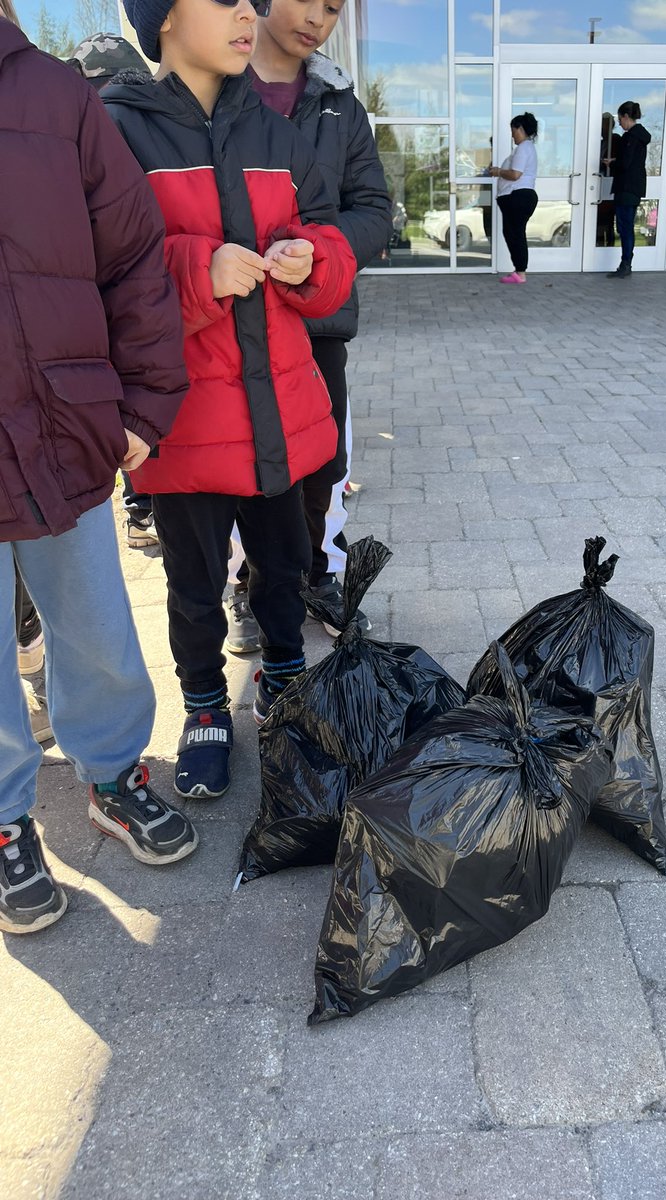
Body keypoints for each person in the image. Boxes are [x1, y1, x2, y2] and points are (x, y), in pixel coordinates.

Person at [103, 0, 356, 800]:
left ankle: (284, 682)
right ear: (163, 19)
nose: (249, 12)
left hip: (278, 412)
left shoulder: (280, 132)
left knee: (284, 568)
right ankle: (206, 708)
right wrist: (197, 271)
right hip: (181, 426)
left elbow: (334, 239)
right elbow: (106, 270)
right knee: (193, 582)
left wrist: (309, 258)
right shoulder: (116, 132)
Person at [0, 1, 198, 934]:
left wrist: (146, 406)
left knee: (90, 619)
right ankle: (4, 824)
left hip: (60, 422)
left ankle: (114, 773)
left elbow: (133, 260)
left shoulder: (56, 96)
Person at [223, 0, 392, 648]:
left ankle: (317, 575)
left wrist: (316, 249)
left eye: (334, 6)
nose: (320, 16)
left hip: (315, 322)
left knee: (320, 462)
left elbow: (374, 208)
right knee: (238, 463)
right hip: (225, 326)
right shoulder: (209, 88)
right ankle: (248, 585)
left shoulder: (338, 105)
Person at [66, 32, 162, 550]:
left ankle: (139, 505)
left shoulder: (75, 124)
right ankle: (143, 502)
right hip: (130, 292)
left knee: (118, 395)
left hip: (100, 293)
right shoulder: (142, 119)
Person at [490, 112, 538, 286]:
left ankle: (520, 273)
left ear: (520, 128)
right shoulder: (527, 147)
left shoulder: (524, 147)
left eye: (513, 130)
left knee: (515, 234)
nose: (512, 135)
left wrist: (498, 172)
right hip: (518, 196)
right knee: (514, 233)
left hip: (517, 196)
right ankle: (519, 270)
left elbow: (515, 174)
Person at [606, 101, 651, 279]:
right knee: (626, 226)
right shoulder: (639, 137)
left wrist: (612, 162)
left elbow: (625, 164)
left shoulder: (630, 138)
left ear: (626, 117)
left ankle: (626, 264)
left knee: (625, 227)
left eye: (619, 118)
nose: (619, 123)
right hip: (634, 187)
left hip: (626, 188)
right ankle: (626, 263)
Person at [596, 112, 620, 248]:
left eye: (604, 125)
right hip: (598, 185)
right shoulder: (599, 143)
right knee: (598, 221)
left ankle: (608, 246)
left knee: (608, 222)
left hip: (609, 185)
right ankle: (598, 245)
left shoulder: (615, 141)